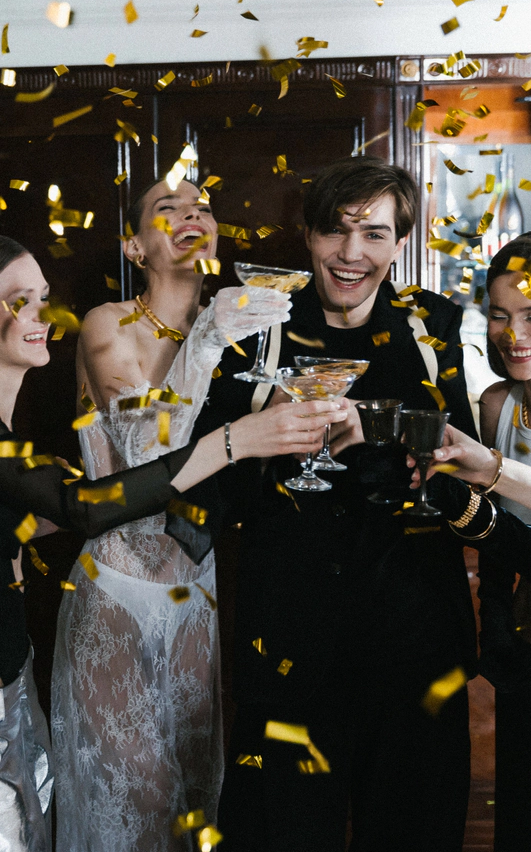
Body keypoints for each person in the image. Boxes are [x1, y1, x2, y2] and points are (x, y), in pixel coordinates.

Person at [49, 179, 349, 852]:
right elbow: (146, 458)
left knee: (195, 803)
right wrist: (207, 340)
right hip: (117, 591)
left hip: (198, 594)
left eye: (204, 207)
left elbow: (249, 468)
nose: (192, 214)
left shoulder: (245, 339)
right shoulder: (107, 324)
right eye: (169, 208)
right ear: (135, 246)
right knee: (136, 805)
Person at [190, 155, 479, 852]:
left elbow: (466, 470)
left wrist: (390, 441)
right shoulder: (256, 326)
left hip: (415, 644)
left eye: (374, 234)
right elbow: (206, 485)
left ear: (400, 242)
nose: (352, 253)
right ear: (309, 235)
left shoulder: (434, 327)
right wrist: (272, 440)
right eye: (336, 230)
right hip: (289, 648)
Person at [434, 230, 531, 852]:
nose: (513, 334)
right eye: (500, 315)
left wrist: (487, 469)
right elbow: (497, 541)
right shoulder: (498, 406)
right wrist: (493, 625)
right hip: (528, 664)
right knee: (526, 832)